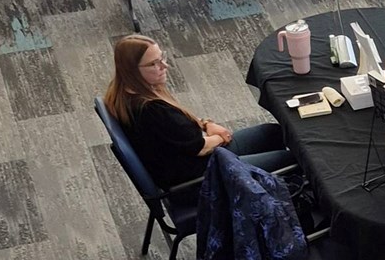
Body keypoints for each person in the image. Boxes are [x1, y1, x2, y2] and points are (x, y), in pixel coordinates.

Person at [104, 34, 289, 192]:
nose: (164, 66)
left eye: (162, 58)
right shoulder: (151, 110)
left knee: (272, 133)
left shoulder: (124, 92)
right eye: (154, 63)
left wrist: (206, 124)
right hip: (199, 181)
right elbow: (199, 147)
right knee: (289, 160)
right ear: (132, 70)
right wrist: (221, 137)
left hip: (194, 162)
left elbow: (176, 128)